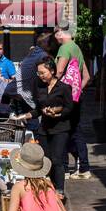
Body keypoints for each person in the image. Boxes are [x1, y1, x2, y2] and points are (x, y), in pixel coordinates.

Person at [54, 26, 92, 179]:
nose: (55, 38)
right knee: (76, 130)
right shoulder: (76, 48)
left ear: (60, 33)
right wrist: (76, 91)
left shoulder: (64, 48)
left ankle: (64, 169)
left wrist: (55, 92)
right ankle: (84, 168)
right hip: (76, 97)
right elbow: (87, 77)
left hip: (64, 98)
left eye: (55, 34)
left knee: (61, 130)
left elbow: (59, 72)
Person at [34, 57, 75, 194]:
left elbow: (69, 108)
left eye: (42, 73)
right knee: (46, 161)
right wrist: (30, 114)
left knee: (57, 159)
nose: (40, 76)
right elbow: (37, 107)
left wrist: (58, 113)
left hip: (60, 128)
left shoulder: (64, 88)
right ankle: (49, 188)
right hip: (44, 129)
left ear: (51, 71)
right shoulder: (39, 87)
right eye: (38, 73)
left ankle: (60, 190)